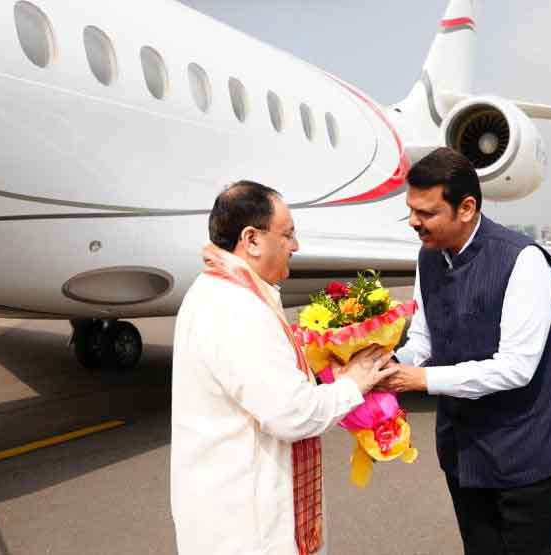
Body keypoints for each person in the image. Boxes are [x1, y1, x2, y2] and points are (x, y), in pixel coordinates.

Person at [170, 180, 396, 555]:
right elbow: (293, 414)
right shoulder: (236, 309)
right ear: (252, 240)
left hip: (236, 519)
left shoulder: (220, 291)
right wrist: (353, 384)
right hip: (250, 532)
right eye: (288, 234)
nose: (296, 246)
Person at [380, 148, 551, 554]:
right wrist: (385, 368)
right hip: (465, 452)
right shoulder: (429, 257)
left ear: (466, 208)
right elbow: (424, 338)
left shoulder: (522, 260)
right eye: (411, 210)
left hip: (528, 454)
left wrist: (420, 379)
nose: (414, 222)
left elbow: (516, 368)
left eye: (426, 212)